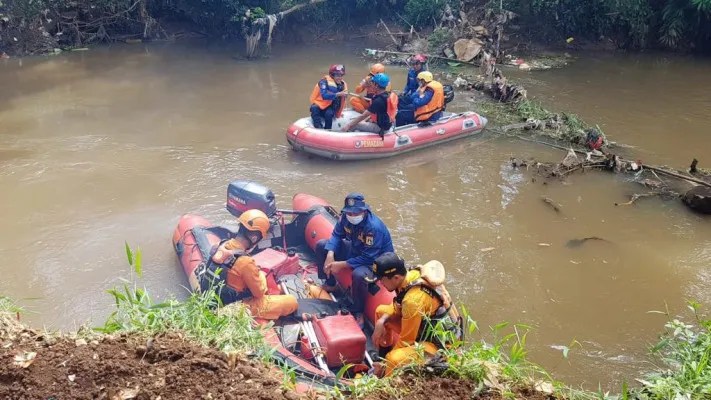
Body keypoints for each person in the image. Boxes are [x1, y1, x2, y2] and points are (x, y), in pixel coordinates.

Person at [368, 252, 462, 377]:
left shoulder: (413, 301)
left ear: (395, 278)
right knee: (382, 312)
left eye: (382, 280)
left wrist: (386, 365)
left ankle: (384, 378)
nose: (381, 283)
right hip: (424, 330)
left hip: (439, 346)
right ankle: (382, 356)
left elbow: (407, 340)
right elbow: (397, 306)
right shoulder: (411, 276)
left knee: (393, 358)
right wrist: (382, 321)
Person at [314, 193, 394, 325]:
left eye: (355, 213)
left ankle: (358, 312)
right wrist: (330, 254)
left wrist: (342, 264)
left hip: (376, 261)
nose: (352, 216)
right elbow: (336, 235)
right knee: (322, 245)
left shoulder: (373, 228)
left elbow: (369, 257)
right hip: (356, 250)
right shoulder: (345, 218)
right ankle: (331, 284)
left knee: (359, 275)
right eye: (349, 213)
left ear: (364, 211)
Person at [206, 209, 298, 320]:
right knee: (291, 302)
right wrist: (261, 276)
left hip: (214, 297)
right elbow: (259, 293)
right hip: (234, 306)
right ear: (254, 238)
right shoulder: (245, 262)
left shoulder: (219, 245)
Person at [341, 73, 398, 137]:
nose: (371, 84)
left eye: (373, 82)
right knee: (359, 121)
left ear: (376, 85)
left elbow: (363, 116)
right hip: (383, 124)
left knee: (354, 124)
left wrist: (348, 125)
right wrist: (364, 121)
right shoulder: (385, 95)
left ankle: (343, 138)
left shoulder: (378, 101)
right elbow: (373, 113)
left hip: (380, 128)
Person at [310, 64, 349, 130]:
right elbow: (324, 95)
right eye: (337, 75)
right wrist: (338, 94)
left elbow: (342, 100)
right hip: (320, 106)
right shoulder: (323, 82)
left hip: (331, 107)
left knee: (329, 114)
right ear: (332, 75)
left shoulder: (342, 85)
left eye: (341, 75)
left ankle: (328, 130)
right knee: (314, 108)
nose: (339, 78)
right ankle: (318, 127)